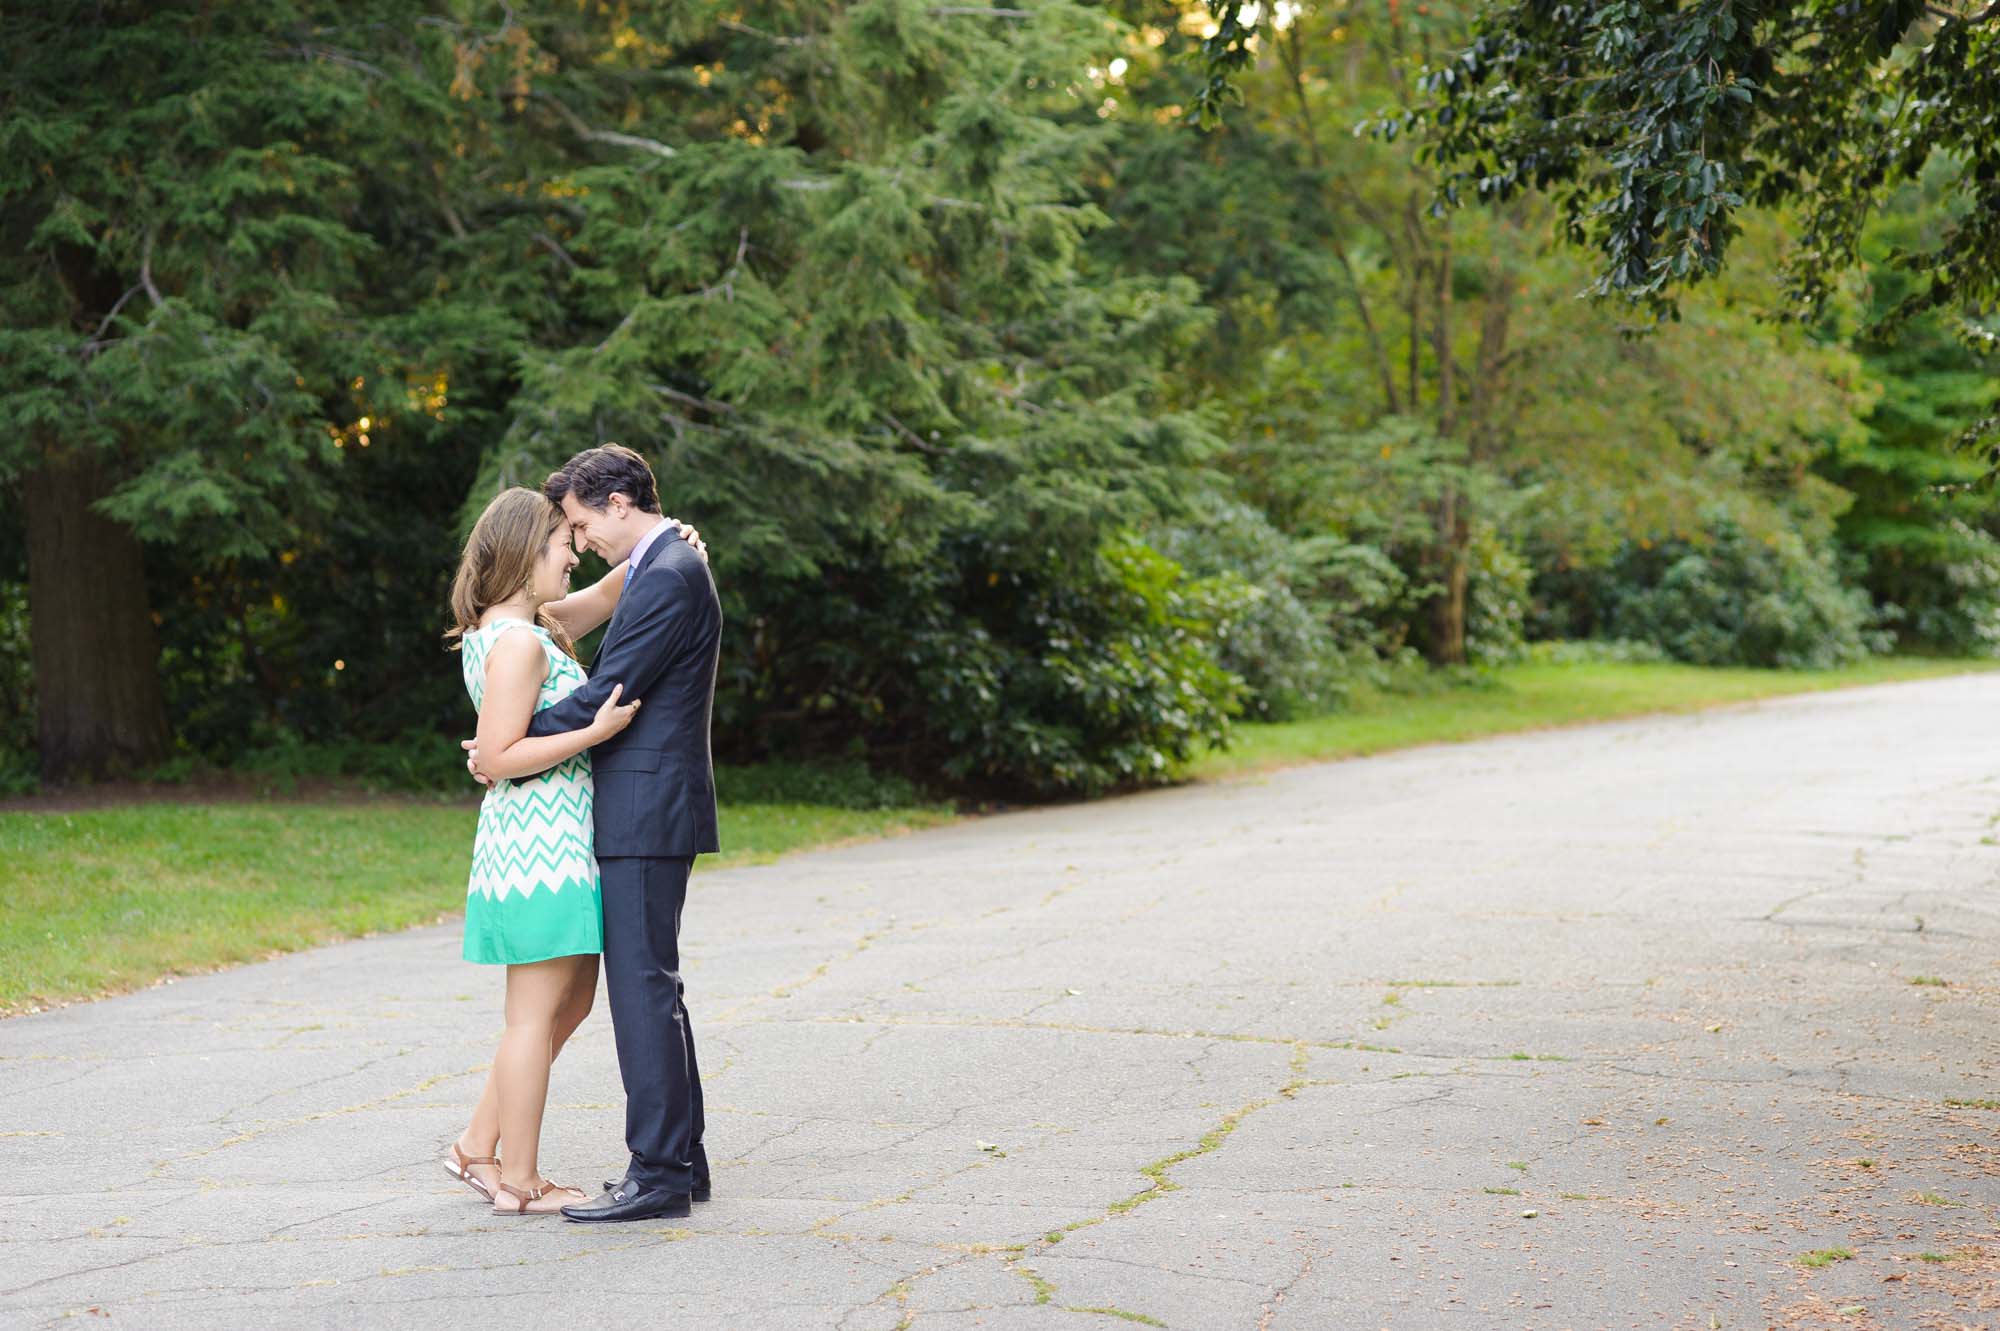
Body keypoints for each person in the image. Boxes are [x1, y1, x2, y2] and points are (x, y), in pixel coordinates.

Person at [465, 445, 724, 1224]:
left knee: (644, 993)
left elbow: (611, 692)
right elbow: (569, 615)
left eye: (580, 523)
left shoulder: (670, 569)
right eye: (563, 535)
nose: (578, 542)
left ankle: (659, 1173)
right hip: (641, 808)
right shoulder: (662, 564)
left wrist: (501, 744)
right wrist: (503, 737)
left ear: (617, 503)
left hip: (645, 810)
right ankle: (681, 1162)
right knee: (655, 991)